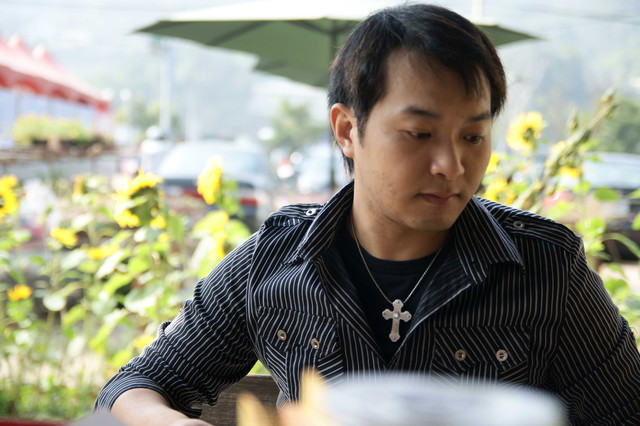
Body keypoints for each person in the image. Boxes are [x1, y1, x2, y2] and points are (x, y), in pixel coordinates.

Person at [96, 4, 640, 424]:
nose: (452, 165)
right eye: (419, 134)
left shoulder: (546, 268)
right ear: (346, 130)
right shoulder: (273, 262)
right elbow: (135, 385)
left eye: (473, 136)